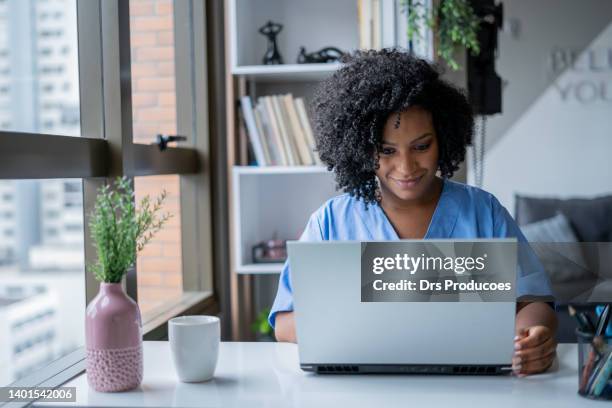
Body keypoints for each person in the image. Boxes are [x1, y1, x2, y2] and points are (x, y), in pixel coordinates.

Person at [269, 49, 557, 376]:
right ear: (361, 149)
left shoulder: (483, 211)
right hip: (362, 393)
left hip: (470, 391)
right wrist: (374, 326)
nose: (406, 167)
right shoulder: (330, 222)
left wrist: (534, 335)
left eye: (422, 146)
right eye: (387, 150)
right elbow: (285, 322)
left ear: (444, 139)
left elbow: (532, 300)